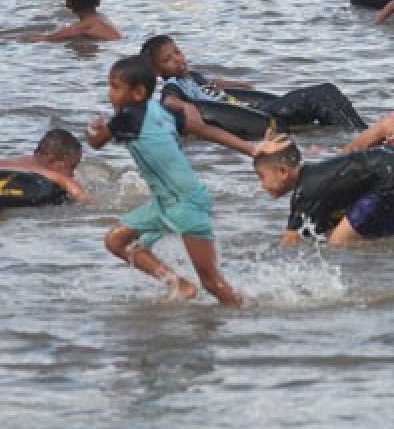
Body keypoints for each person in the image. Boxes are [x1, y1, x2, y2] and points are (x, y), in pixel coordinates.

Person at [86, 56, 281, 306]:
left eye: (115, 87)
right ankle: (179, 284)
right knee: (118, 241)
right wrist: (251, 149)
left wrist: (94, 127)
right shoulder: (161, 112)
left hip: (185, 204)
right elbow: (205, 130)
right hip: (166, 202)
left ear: (137, 92)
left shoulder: (128, 117)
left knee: (212, 283)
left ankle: (247, 317)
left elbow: (96, 142)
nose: (109, 94)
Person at [141, 35, 368, 132]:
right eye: (168, 60)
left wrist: (242, 85)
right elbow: (168, 99)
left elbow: (215, 85)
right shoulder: (174, 85)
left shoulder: (193, 77)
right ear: (157, 70)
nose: (178, 60)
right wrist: (184, 107)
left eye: (177, 52)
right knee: (323, 93)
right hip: (258, 116)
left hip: (253, 108)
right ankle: (358, 134)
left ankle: (350, 132)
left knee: (325, 96)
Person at [253, 143, 394, 245]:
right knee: (388, 237)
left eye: (262, 177)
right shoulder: (316, 177)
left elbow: (289, 243)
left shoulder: (305, 192)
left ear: (283, 172)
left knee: (337, 242)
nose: (262, 185)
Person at [21, 0, 121, 42]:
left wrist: (8, 39)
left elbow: (47, 39)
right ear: (99, 1)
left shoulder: (82, 27)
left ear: (68, 3)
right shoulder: (103, 21)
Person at [0, 129, 88, 202]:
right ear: (52, 160)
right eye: (71, 167)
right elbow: (74, 189)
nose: (72, 174)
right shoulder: (43, 172)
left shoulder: (22, 161)